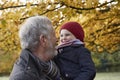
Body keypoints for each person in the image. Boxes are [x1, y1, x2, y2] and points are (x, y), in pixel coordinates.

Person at [9, 16, 62, 80]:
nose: (56, 39)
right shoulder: (23, 77)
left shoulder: (51, 66)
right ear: (43, 40)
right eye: (53, 35)